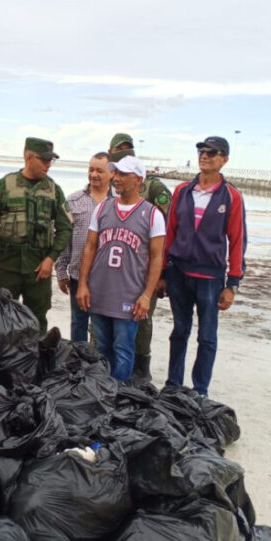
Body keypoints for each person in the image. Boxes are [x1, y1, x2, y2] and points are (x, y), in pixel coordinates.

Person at [159, 136, 246, 396]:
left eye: (212, 152)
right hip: (178, 273)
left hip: (209, 277)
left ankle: (200, 390)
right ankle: (173, 385)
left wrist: (233, 284)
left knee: (207, 337)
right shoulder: (182, 191)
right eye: (201, 150)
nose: (204, 155)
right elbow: (169, 233)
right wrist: (163, 273)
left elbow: (238, 241)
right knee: (180, 331)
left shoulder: (231, 197)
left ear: (224, 160)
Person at [76, 153, 165, 380]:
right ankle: (103, 392)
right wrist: (83, 285)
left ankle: (120, 397)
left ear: (138, 179)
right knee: (101, 350)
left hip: (129, 296)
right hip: (100, 292)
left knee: (124, 351)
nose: (116, 178)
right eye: (115, 172)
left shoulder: (152, 214)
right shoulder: (103, 208)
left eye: (123, 174)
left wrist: (146, 295)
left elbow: (157, 258)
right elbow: (90, 247)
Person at [0, 137, 71, 334]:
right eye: (45, 160)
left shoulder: (54, 190)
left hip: (38, 267)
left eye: (51, 161)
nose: (49, 165)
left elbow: (65, 228)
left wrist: (51, 259)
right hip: (6, 263)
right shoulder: (3, 185)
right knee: (0, 317)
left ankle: (35, 361)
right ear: (29, 157)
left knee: (36, 321)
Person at [109, 133, 171, 382]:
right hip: (115, 269)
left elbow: (167, 232)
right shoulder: (112, 182)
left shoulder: (153, 187)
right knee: (110, 317)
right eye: (118, 150)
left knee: (142, 319)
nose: (123, 154)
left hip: (145, 270)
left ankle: (141, 368)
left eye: (128, 150)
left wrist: (163, 274)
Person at [56, 152, 114, 343]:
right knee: (78, 324)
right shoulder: (73, 201)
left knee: (102, 328)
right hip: (77, 275)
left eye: (99, 170)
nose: (94, 174)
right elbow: (65, 238)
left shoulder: (119, 202)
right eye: (91, 169)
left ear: (111, 173)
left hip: (108, 278)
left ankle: (98, 367)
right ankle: (77, 363)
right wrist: (61, 272)